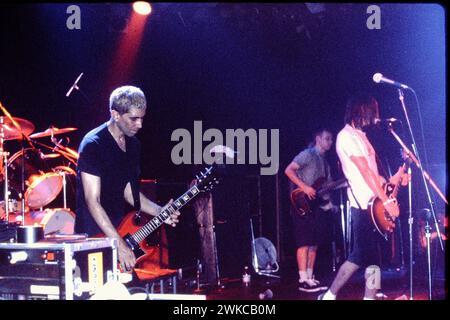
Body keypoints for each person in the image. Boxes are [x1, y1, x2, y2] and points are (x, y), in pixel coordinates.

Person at [75, 85, 180, 272]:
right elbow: (93, 201)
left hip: (120, 229)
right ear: (115, 114)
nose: (139, 124)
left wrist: (160, 211)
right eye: (133, 119)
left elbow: (129, 192)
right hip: (95, 235)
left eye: (142, 118)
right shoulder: (93, 144)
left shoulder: (133, 145)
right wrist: (118, 244)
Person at [319, 94, 404, 300]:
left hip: (374, 203)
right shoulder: (345, 136)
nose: (376, 116)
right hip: (362, 205)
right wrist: (387, 200)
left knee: (373, 258)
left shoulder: (362, 137)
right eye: (372, 111)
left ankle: (369, 297)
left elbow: (376, 174)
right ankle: (329, 295)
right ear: (361, 110)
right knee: (359, 256)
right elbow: (365, 172)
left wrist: (399, 176)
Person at [285, 128, 334, 293]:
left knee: (314, 243)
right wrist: (305, 187)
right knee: (304, 241)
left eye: (331, 139)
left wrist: (329, 203)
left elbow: (325, 187)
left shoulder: (325, 163)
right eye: (327, 139)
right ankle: (302, 279)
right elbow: (288, 170)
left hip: (316, 206)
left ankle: (310, 278)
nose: (330, 142)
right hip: (301, 203)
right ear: (318, 139)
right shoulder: (307, 154)